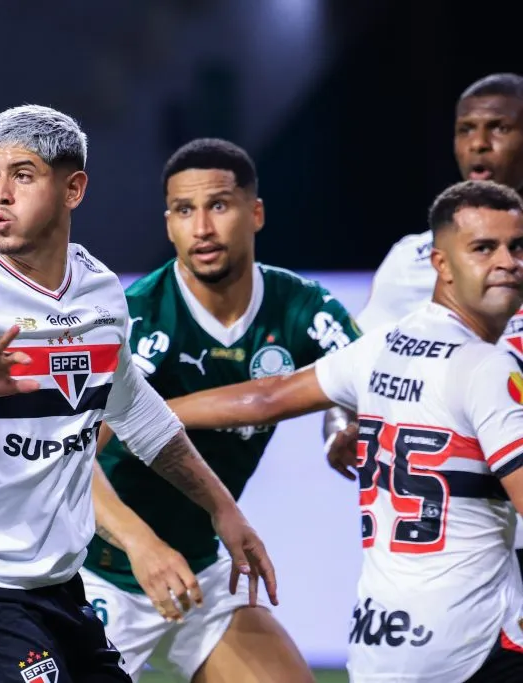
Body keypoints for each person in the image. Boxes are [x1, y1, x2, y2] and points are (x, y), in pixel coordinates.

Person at [0, 105, 277, 683]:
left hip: (57, 590)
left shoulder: (100, 294)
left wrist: (222, 510)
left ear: (73, 188)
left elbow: (140, 415)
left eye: (22, 175)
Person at [160, 180, 523, 682]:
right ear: (441, 265)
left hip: (382, 643)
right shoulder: (488, 368)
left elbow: (269, 397)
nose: (508, 261)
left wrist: (150, 413)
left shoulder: (386, 346)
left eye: (516, 246)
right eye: (484, 248)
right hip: (472, 641)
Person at [81, 138, 356, 682]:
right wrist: (143, 544)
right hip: (98, 572)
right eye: (184, 211)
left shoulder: (302, 307)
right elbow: (69, 462)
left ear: (255, 213)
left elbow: (356, 384)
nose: (202, 228)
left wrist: (340, 428)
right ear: (168, 224)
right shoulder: (134, 319)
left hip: (201, 568)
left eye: (219, 206)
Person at [349, 73, 523, 571]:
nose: (479, 144)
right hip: (453, 532)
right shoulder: (411, 259)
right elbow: (354, 367)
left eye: (499, 129)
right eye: (466, 129)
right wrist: (342, 427)